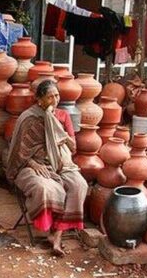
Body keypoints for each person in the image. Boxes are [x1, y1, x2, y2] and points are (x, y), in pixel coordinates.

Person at [5, 80, 87, 256]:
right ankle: (49, 231)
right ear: (39, 99)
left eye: (57, 95)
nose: (55, 100)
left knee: (79, 185)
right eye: (50, 96)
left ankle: (57, 235)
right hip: (30, 164)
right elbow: (19, 152)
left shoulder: (63, 116)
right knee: (45, 187)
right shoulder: (28, 117)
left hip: (61, 163)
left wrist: (60, 134)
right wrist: (34, 164)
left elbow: (73, 148)